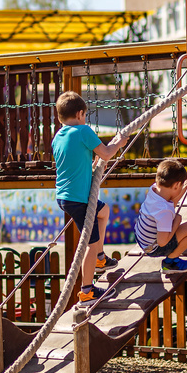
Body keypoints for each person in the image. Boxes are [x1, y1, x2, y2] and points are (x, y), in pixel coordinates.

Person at [52, 92, 127, 306]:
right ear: (80, 113)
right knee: (90, 244)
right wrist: (119, 142)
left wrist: (91, 165)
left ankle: (101, 259)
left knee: (104, 212)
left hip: (65, 196)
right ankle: (87, 290)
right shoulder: (83, 130)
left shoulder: (58, 136)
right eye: (85, 115)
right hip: (79, 199)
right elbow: (106, 153)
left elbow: (72, 162)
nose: (85, 119)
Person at [134, 159, 187, 274]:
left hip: (142, 239)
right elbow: (162, 242)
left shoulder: (155, 190)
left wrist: (186, 183)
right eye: (180, 186)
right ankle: (170, 263)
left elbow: (171, 200)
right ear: (176, 185)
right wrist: (177, 221)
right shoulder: (164, 211)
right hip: (154, 247)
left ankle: (171, 261)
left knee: (175, 217)